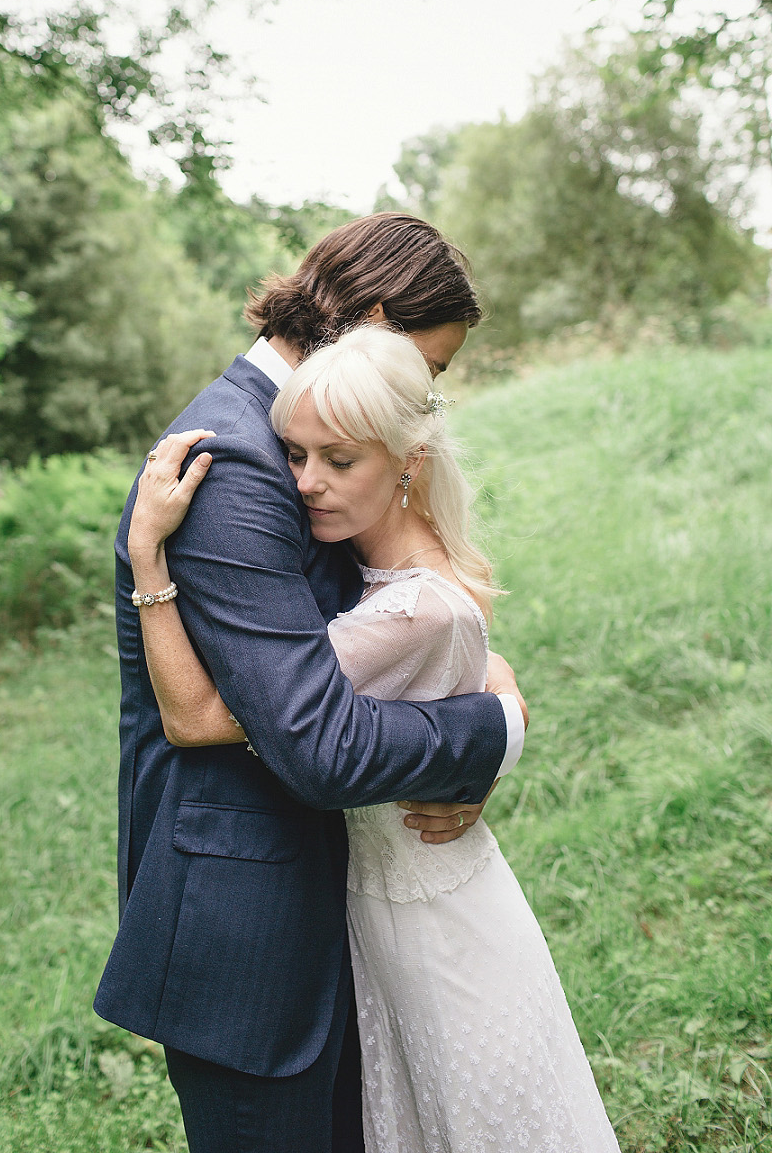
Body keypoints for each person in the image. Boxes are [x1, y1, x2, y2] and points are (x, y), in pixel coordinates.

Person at [94, 213, 528, 1153]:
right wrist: (491, 728)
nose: (429, 402)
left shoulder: (303, 435)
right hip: (247, 927)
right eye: (433, 369)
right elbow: (315, 739)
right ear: (374, 324)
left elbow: (394, 612)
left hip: (318, 896)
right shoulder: (241, 462)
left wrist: (484, 672)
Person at [128, 324, 620, 1152]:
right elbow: (473, 658)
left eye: (339, 461)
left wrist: (148, 561)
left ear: (408, 464)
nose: (306, 485)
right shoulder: (393, 576)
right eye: (295, 456)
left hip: (426, 917)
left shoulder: (412, 606)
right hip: (397, 893)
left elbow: (197, 719)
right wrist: (498, 710)